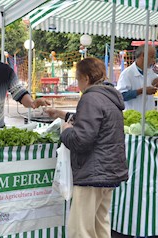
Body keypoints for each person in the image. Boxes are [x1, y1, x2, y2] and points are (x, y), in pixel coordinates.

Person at [45, 57, 128, 238]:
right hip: (108, 172)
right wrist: (63, 115)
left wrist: (66, 131)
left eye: (78, 78)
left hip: (92, 173)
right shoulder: (109, 96)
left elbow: (81, 140)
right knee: (100, 226)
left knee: (80, 229)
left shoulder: (90, 98)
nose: (77, 82)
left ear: (87, 78)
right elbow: (96, 122)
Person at [116, 45, 158, 114]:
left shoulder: (150, 72)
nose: (153, 60)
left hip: (148, 116)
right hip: (133, 117)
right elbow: (121, 96)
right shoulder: (127, 74)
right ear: (143, 55)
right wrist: (141, 91)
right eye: (152, 57)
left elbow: (155, 81)